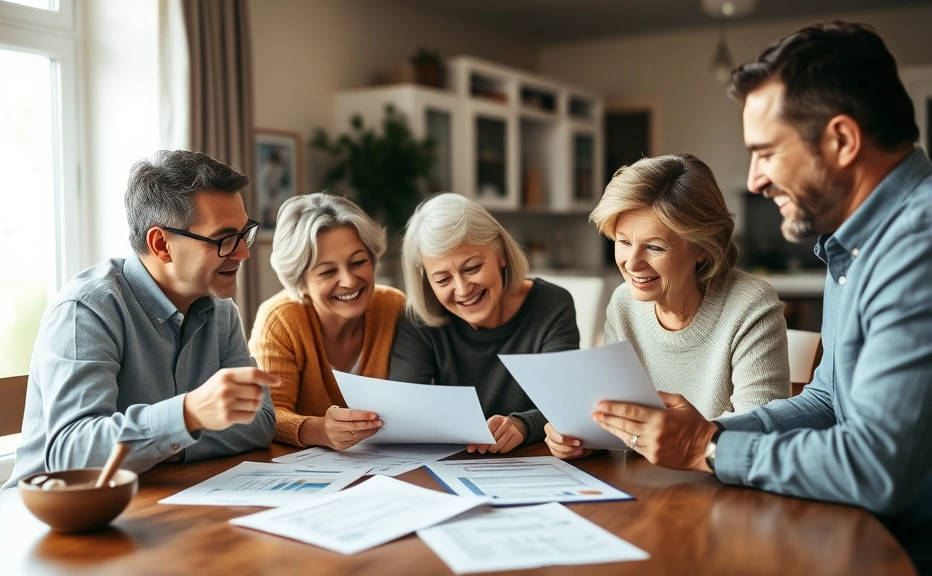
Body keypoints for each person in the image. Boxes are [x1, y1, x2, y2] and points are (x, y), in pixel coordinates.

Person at [590, 22, 932, 572]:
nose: (754, 181)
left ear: (842, 141)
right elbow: (827, 403)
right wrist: (707, 432)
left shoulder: (916, 246)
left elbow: (877, 468)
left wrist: (707, 450)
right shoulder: (855, 245)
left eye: (767, 153)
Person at [6, 150, 278, 487]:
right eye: (224, 239)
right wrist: (187, 415)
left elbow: (260, 422)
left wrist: (168, 442)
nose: (243, 252)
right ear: (161, 244)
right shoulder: (87, 309)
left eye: (243, 233)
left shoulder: (221, 311)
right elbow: (72, 454)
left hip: (155, 501)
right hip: (49, 516)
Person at [545, 154, 790, 459]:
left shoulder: (751, 305)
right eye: (623, 242)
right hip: (640, 487)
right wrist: (581, 434)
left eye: (654, 246)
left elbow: (763, 432)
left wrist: (676, 437)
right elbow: (618, 418)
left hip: (722, 486)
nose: (631, 263)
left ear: (702, 247)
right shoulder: (624, 304)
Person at [389, 193, 579, 454]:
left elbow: (566, 403)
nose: (463, 289)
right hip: (451, 466)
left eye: (472, 268)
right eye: (443, 280)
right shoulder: (419, 319)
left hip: (533, 460)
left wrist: (522, 425)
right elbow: (404, 409)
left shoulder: (551, 305)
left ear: (500, 253)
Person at [249, 192, 405, 450]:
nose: (349, 280)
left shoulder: (394, 307)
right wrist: (318, 430)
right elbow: (267, 413)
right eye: (328, 271)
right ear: (300, 281)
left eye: (358, 262)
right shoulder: (280, 320)